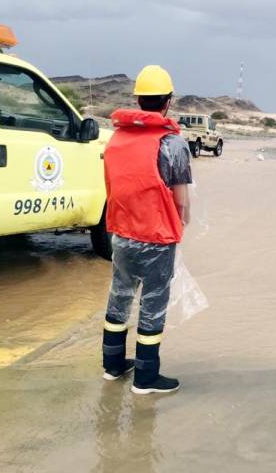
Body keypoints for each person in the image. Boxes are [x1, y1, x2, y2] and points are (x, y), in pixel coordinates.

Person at [101, 65, 192, 394]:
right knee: (153, 304)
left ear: (138, 100)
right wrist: (185, 218)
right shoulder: (173, 144)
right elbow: (181, 198)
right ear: (167, 101)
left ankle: (112, 366)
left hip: (122, 235)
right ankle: (146, 377)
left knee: (120, 297)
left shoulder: (116, 139)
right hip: (156, 237)